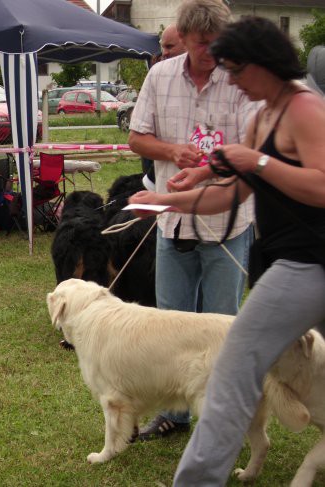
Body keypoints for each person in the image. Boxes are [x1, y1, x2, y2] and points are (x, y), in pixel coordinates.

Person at [129, 16, 325, 485]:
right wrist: (163, 201)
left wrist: (256, 160)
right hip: (286, 262)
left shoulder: (305, 109)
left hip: (308, 263)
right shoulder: (263, 117)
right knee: (235, 368)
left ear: (262, 64)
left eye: (236, 69)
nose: (230, 79)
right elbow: (228, 195)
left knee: (233, 368)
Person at [128, 0, 259, 441]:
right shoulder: (159, 76)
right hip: (173, 224)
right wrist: (172, 152)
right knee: (172, 325)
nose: (212, 52)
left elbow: (250, 152)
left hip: (229, 222)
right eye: (203, 44)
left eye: (219, 43)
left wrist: (205, 169)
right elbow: (135, 138)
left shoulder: (242, 80)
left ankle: (220, 422)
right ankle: (174, 415)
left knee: (222, 327)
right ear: (181, 38)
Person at [141, 24, 186, 191]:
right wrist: (173, 151)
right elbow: (137, 139)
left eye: (170, 46)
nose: (164, 52)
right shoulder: (156, 78)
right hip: (160, 178)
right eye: (162, 46)